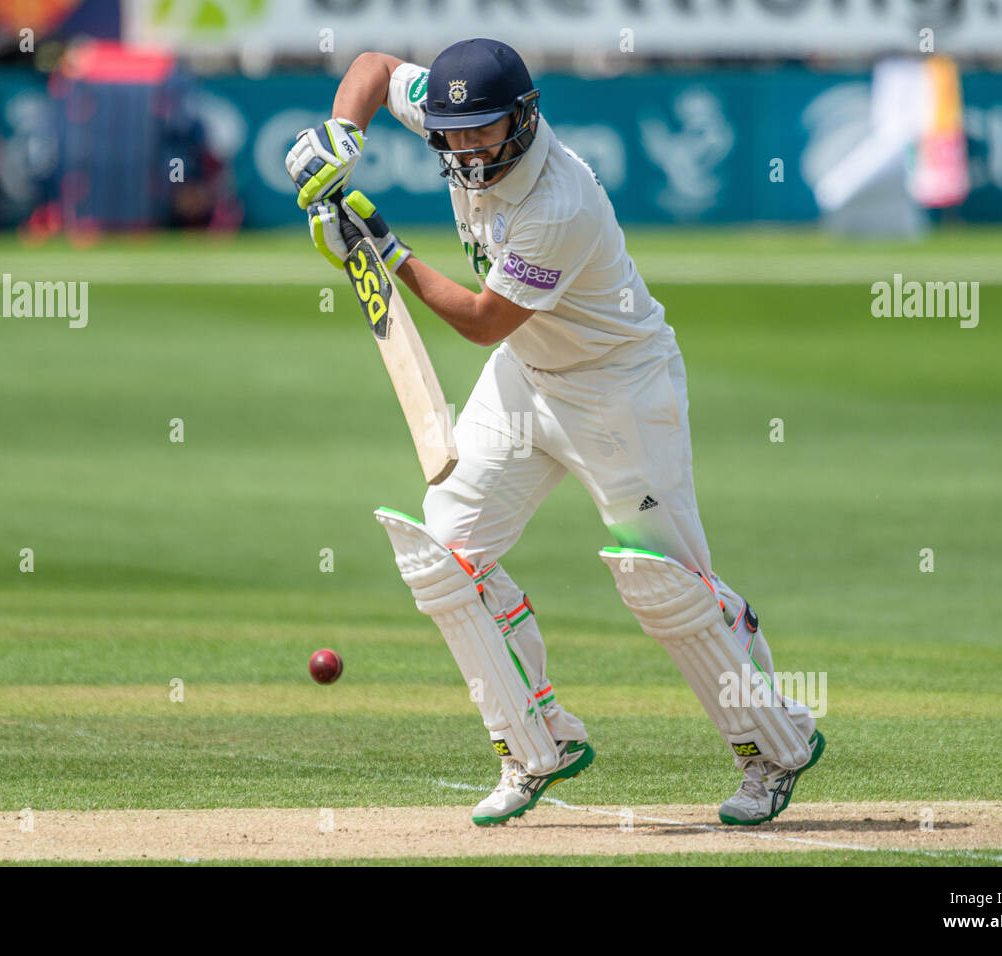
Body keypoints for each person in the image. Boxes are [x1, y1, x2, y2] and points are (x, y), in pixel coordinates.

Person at [285, 38, 824, 827]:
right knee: (445, 554)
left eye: (483, 133)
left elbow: (479, 319)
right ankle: (535, 743)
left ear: (525, 118)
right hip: (526, 375)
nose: (467, 150)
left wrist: (383, 249)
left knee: (666, 586)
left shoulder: (558, 205)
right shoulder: (457, 113)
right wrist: (343, 135)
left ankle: (774, 744)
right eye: (453, 134)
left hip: (618, 389)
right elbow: (369, 66)